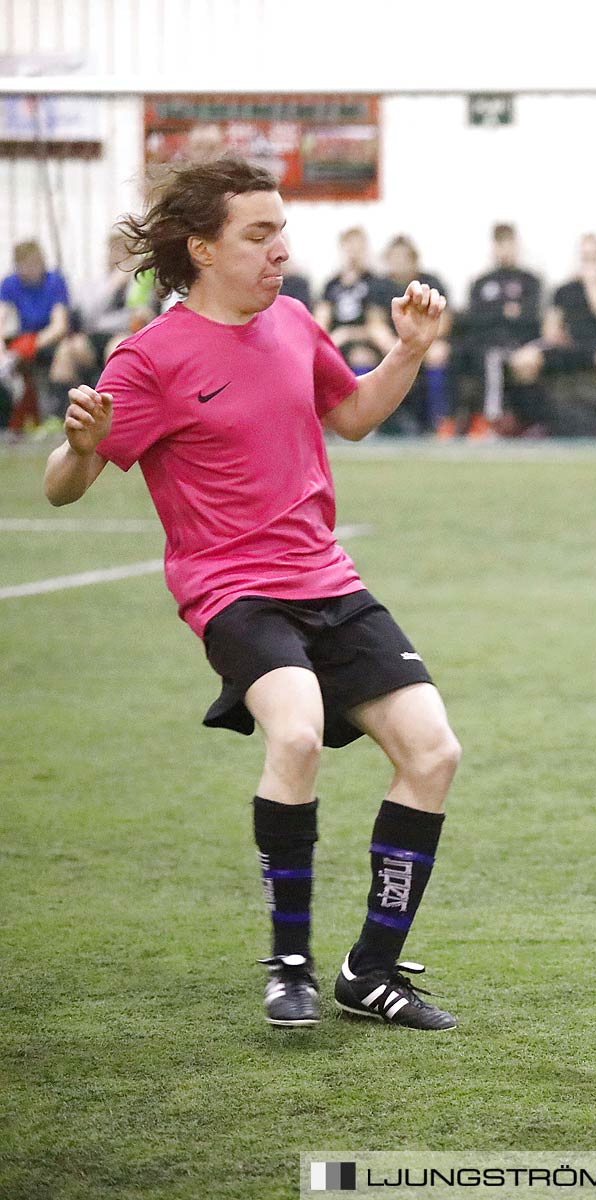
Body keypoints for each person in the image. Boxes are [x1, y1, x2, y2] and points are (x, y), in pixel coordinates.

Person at [42, 156, 462, 1031]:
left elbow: (348, 416)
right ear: (201, 248)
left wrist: (409, 353)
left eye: (282, 232)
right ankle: (292, 966)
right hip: (233, 592)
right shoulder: (150, 357)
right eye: (259, 234)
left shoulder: (295, 320)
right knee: (299, 728)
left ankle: (370, 973)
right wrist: (81, 444)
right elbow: (61, 486)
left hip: (326, 580)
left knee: (433, 752)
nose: (280, 251)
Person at [512, 232, 596, 435]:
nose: (588, 263)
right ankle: (536, 423)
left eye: (592, 257)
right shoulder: (564, 290)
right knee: (524, 361)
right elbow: (549, 329)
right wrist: (555, 334)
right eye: (584, 258)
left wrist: (591, 282)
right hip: (567, 347)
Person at [451, 223, 542, 440]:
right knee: (454, 354)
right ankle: (451, 420)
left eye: (509, 243)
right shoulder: (481, 282)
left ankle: (492, 420)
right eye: (500, 244)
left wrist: (493, 313)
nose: (505, 249)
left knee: (493, 357)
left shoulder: (530, 281)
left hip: (515, 345)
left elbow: (531, 319)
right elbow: (473, 318)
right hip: (481, 343)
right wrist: (505, 310)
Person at [48, 231, 158, 389]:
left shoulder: (141, 282)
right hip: (94, 335)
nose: (118, 257)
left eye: (124, 251)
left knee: (117, 351)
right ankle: (61, 410)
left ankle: (113, 408)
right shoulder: (97, 283)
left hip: (124, 335)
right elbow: (88, 317)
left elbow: (145, 314)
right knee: (65, 352)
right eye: (114, 251)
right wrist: (114, 284)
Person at [373, 235, 453, 435]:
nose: (399, 262)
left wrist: (421, 341)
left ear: (414, 258)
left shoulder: (430, 283)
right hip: (392, 344)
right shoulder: (379, 286)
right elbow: (375, 324)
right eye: (394, 257)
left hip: (426, 339)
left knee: (438, 354)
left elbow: (445, 320)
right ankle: (373, 420)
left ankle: (439, 420)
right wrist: (398, 345)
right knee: (364, 356)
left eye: (404, 257)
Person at [2, 240, 73, 435]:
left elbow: (60, 326)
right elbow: (1, 317)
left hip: (51, 340)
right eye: (24, 265)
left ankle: (57, 418)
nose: (30, 270)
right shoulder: (11, 283)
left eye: (34, 263)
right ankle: (14, 421)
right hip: (24, 339)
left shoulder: (55, 281)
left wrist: (31, 344)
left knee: (62, 357)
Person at [314, 227, 385, 373]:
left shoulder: (374, 283)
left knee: (361, 357)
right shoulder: (332, 284)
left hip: (365, 339)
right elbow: (320, 322)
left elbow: (376, 327)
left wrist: (347, 333)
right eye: (350, 247)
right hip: (335, 340)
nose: (354, 253)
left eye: (359, 247)